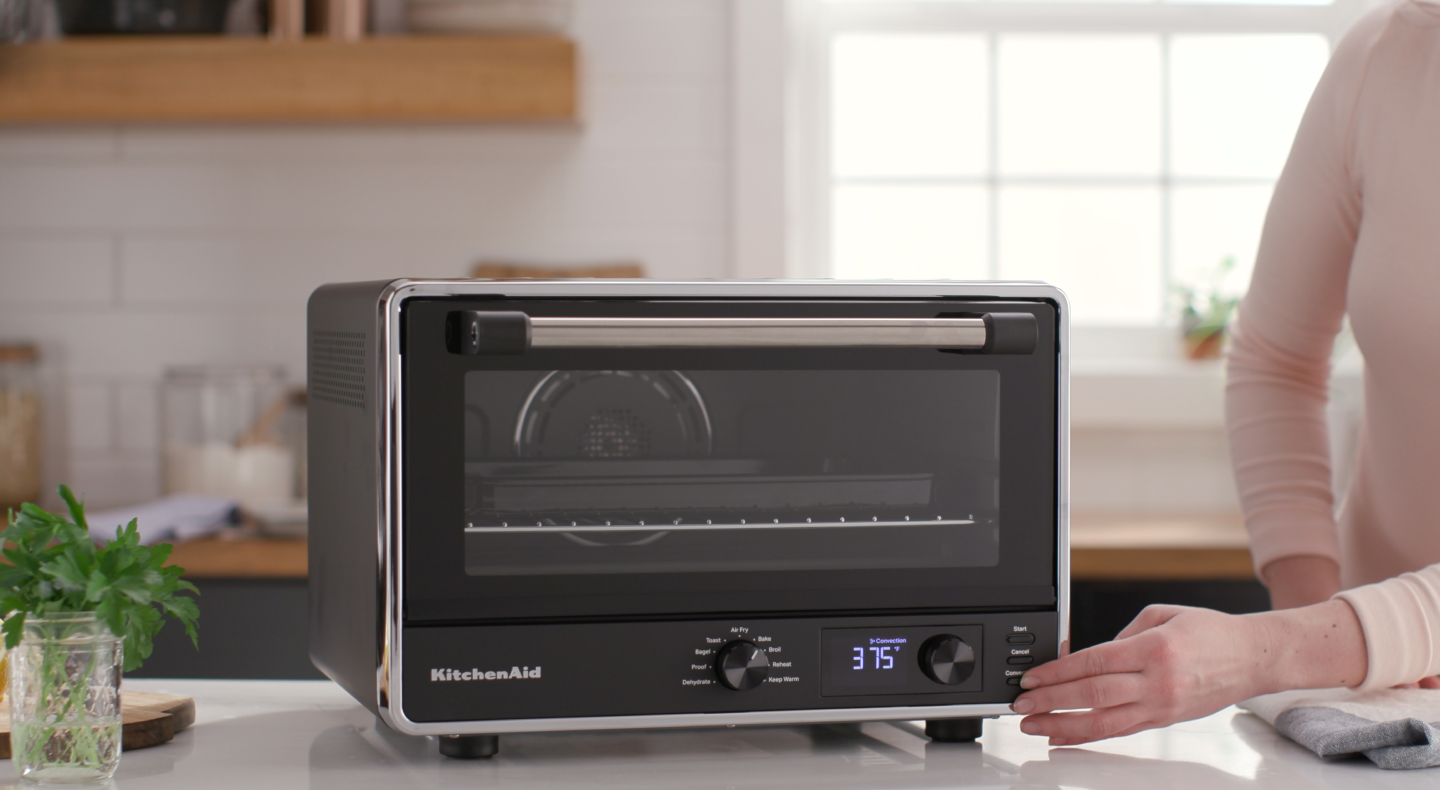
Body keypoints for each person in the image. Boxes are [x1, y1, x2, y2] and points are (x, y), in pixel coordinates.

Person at [1013, 0, 1440, 745]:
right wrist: (1315, 639)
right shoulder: (1388, 55)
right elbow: (1277, 359)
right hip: (1382, 692)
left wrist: (1271, 651)